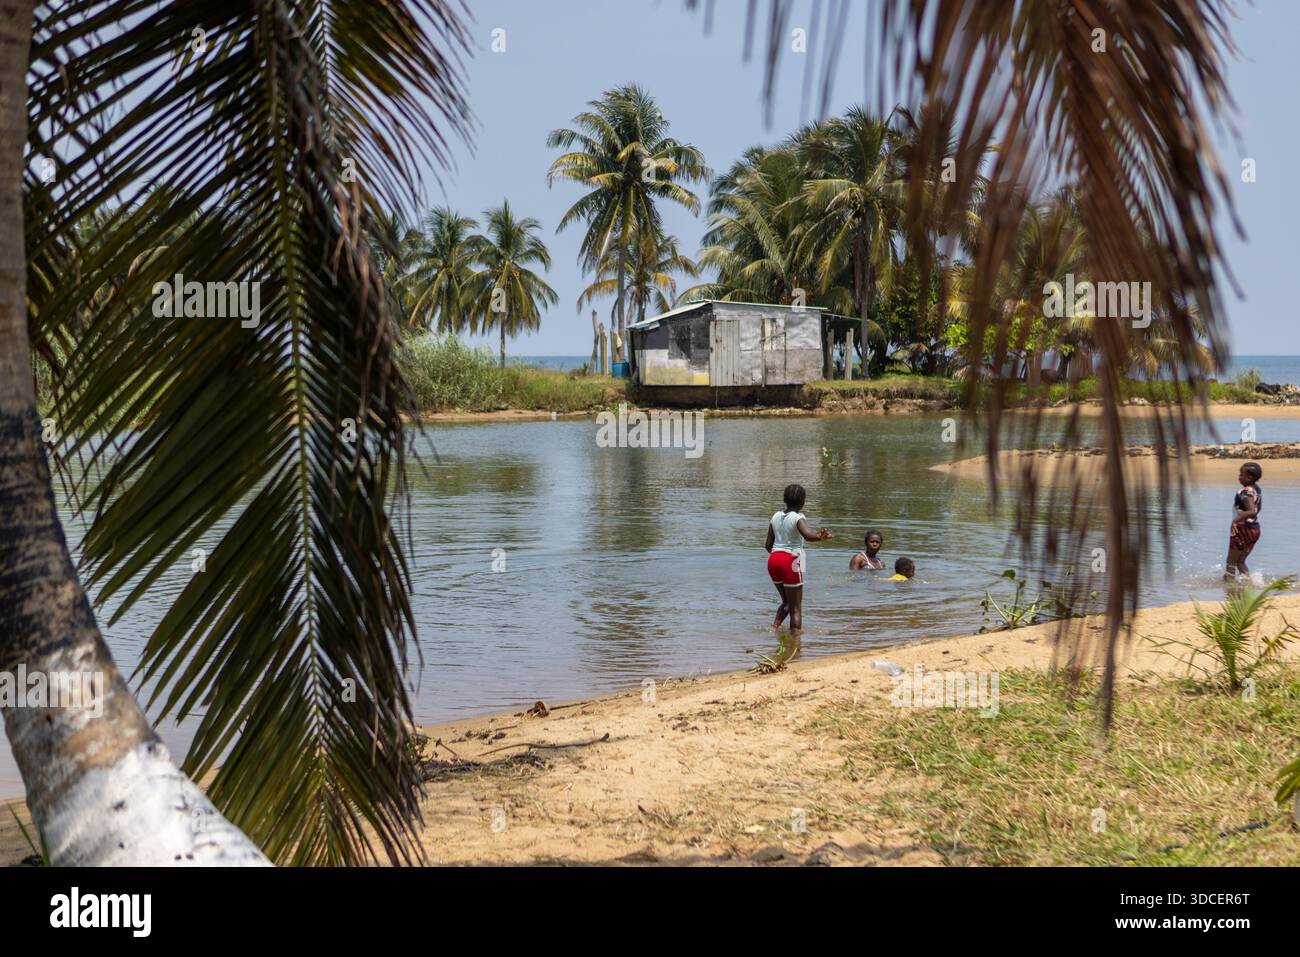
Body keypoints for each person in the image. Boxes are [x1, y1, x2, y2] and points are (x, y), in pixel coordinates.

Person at [764, 483, 832, 632]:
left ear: (784, 499)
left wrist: (780, 558)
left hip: (774, 559)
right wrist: (821, 537)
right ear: (803, 502)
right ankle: (795, 641)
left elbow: (768, 545)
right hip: (792, 559)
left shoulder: (775, 516)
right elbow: (807, 536)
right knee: (796, 607)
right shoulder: (798, 517)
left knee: (787, 601)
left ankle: (773, 628)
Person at [1225, 461, 1263, 580]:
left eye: (1241, 474)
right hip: (1254, 529)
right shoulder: (1256, 489)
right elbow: (1257, 510)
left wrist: (1235, 521)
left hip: (1242, 529)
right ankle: (1247, 584)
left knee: (1231, 562)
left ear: (1249, 477)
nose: (1239, 477)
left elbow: (1251, 510)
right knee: (1240, 562)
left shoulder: (1245, 492)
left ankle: (1229, 588)